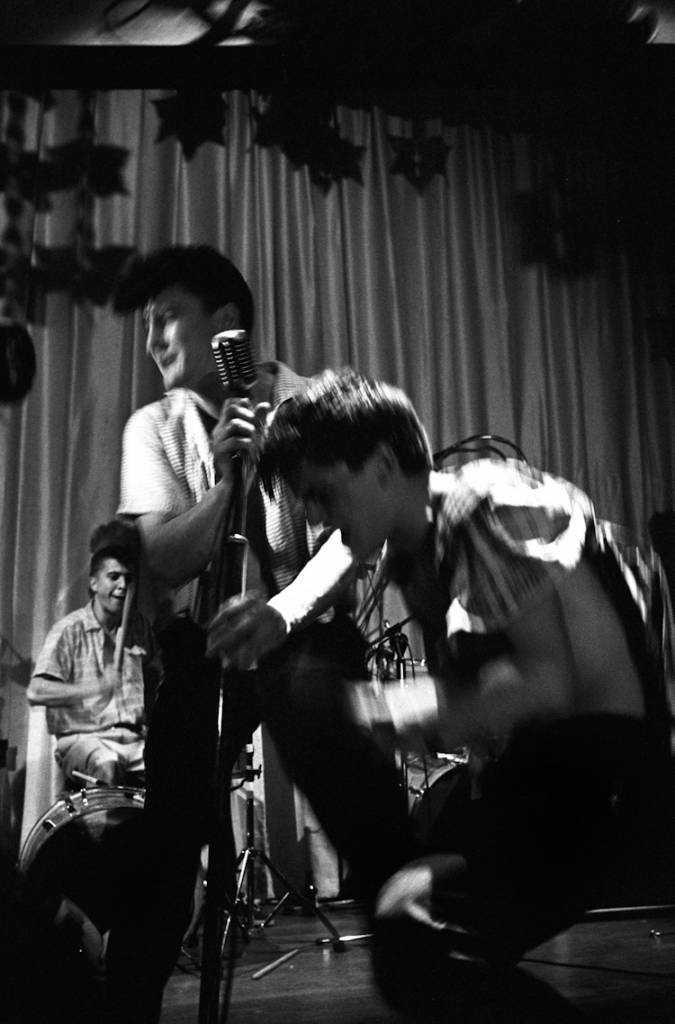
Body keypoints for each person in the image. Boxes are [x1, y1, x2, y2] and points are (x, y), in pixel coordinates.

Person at [214, 366, 674, 1023]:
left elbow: (546, 680)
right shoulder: (409, 535)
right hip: (543, 776)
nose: (312, 514)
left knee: (419, 937)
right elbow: (341, 556)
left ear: (381, 466)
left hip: (600, 778)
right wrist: (280, 616)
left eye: (321, 492)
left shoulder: (480, 505)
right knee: (412, 945)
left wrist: (390, 711)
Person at [106, 246, 401, 1024]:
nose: (153, 340)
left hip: (304, 627)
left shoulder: (314, 406)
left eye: (168, 317)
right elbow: (162, 558)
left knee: (338, 753)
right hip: (205, 643)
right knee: (169, 831)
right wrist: (228, 480)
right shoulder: (153, 428)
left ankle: (425, 953)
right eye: (147, 324)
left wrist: (283, 610)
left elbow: (350, 544)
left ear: (226, 323)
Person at [27, 518, 153, 789]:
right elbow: (36, 692)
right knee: (107, 764)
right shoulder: (69, 630)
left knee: (176, 767)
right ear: (94, 583)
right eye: (114, 577)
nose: (122, 585)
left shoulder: (139, 628)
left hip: (134, 740)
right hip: (85, 739)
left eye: (128, 578)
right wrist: (95, 688)